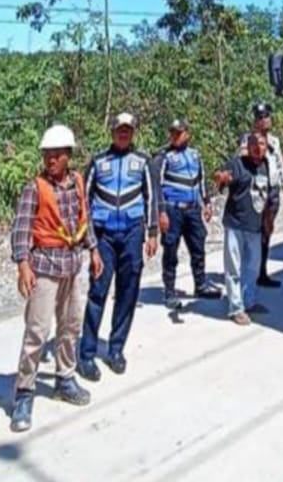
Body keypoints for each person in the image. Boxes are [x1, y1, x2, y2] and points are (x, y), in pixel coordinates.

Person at [9, 124, 103, 433]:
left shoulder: (76, 182)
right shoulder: (34, 188)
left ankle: (65, 377)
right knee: (37, 330)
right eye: (46, 155)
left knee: (70, 325)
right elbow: (21, 228)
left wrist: (94, 251)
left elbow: (83, 220)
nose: (49, 160)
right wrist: (23, 265)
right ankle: (24, 392)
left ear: (67, 156)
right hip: (45, 267)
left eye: (55, 155)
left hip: (72, 265)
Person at [78, 112, 159, 380]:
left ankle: (116, 349)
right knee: (98, 291)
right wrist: (89, 241)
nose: (124, 134)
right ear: (112, 131)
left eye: (128, 130)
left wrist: (153, 231)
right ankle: (87, 353)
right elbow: (85, 202)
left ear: (133, 132)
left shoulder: (143, 161)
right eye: (119, 129)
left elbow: (152, 196)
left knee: (127, 293)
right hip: (103, 236)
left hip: (133, 233)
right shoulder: (99, 162)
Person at [154, 119, 222, 309]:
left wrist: (206, 202)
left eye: (179, 133)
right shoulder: (164, 157)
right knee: (170, 249)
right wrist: (161, 212)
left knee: (198, 246)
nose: (175, 136)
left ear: (187, 134)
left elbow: (201, 180)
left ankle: (200, 284)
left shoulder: (195, 155)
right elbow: (157, 186)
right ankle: (169, 292)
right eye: (172, 133)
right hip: (172, 209)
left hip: (193, 209)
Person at [215, 132, 273, 325]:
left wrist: (268, 220)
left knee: (253, 267)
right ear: (248, 146)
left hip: (255, 226)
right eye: (254, 143)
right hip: (235, 224)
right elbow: (222, 177)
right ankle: (236, 308)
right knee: (234, 268)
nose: (258, 147)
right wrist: (221, 178)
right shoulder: (237, 164)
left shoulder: (266, 166)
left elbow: (267, 195)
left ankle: (249, 301)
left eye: (262, 144)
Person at [242, 102, 283, 288]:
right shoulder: (248, 140)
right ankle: (250, 271)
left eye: (267, 116)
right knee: (254, 232)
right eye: (261, 117)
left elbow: (279, 166)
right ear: (256, 121)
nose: (265, 120)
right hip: (258, 191)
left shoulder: (274, 141)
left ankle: (262, 272)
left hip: (273, 190)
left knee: (266, 232)